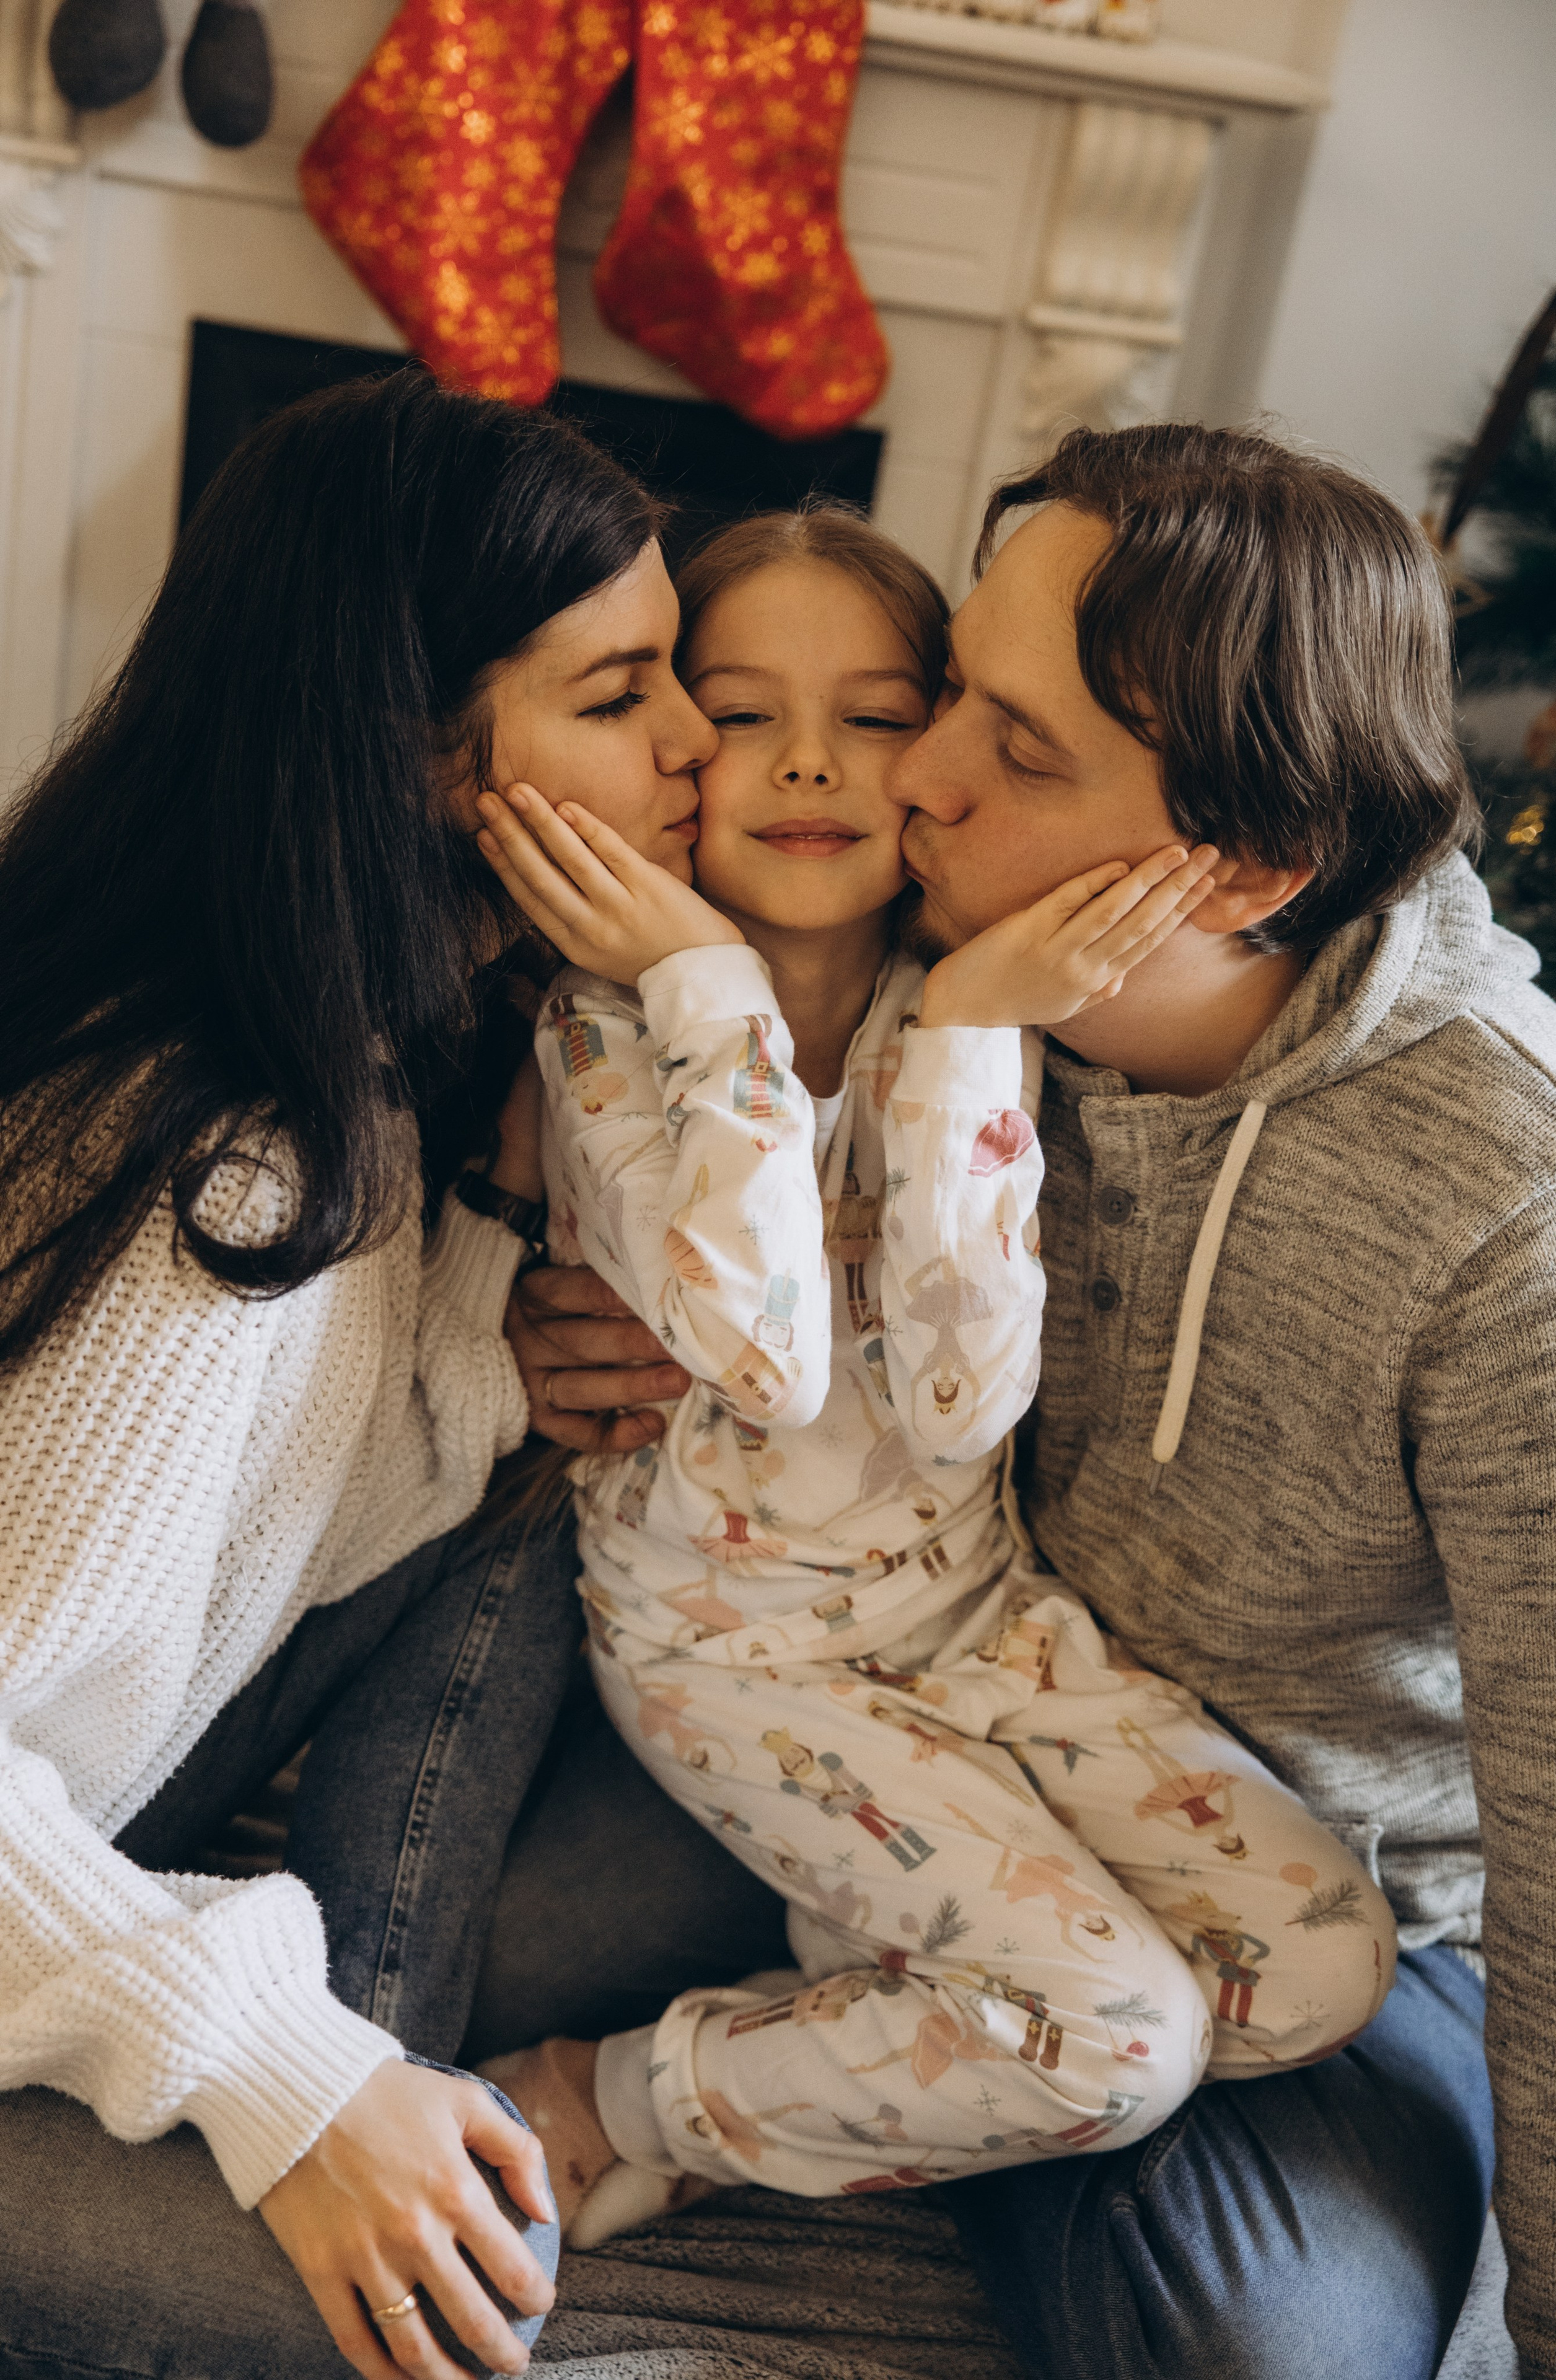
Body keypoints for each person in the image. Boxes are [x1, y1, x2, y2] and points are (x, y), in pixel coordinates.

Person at [495, 423, 1556, 2380]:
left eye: (1003, 740)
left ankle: (947, 2069)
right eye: (952, 694)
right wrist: (512, 1320)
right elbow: (692, 1241)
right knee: (461, 1966)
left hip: (1254, 1815)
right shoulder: (883, 944)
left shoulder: (1520, 1211)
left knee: (1244, 2307)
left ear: (1240, 870)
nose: (902, 775)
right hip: (796, 1668)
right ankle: (931, 2056)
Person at [0, 369, 720, 2380]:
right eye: (622, 695)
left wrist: (490, 1327)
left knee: (699, 1865)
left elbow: (258, 1523)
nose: (699, 743)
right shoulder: (208, 1165)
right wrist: (284, 2077)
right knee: (428, 2315)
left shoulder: (346, 1060)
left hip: (120, 1821)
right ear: (413, 755)